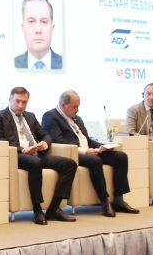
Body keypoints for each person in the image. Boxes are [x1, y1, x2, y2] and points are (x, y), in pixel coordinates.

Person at [42, 90, 139, 218]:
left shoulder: (77, 118)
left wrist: (103, 147)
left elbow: (88, 140)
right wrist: (85, 151)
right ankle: (104, 202)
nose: (77, 110)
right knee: (95, 161)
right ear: (63, 105)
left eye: (78, 106)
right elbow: (59, 141)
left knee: (121, 157)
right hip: (71, 154)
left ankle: (118, 200)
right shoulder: (50, 116)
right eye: (74, 106)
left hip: (87, 151)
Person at [0, 87, 77, 224]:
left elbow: (45, 135)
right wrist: (22, 150)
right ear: (10, 99)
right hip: (16, 155)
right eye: (17, 101)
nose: (20, 105)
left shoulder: (30, 116)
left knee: (69, 164)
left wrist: (45, 143)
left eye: (24, 102)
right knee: (35, 162)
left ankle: (54, 208)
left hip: (36, 154)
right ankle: (37, 210)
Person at [14, 0, 62, 70]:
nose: (38, 30)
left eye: (44, 22)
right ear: (23, 29)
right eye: (31, 21)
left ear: (52, 29)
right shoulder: (10, 66)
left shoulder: (68, 64)